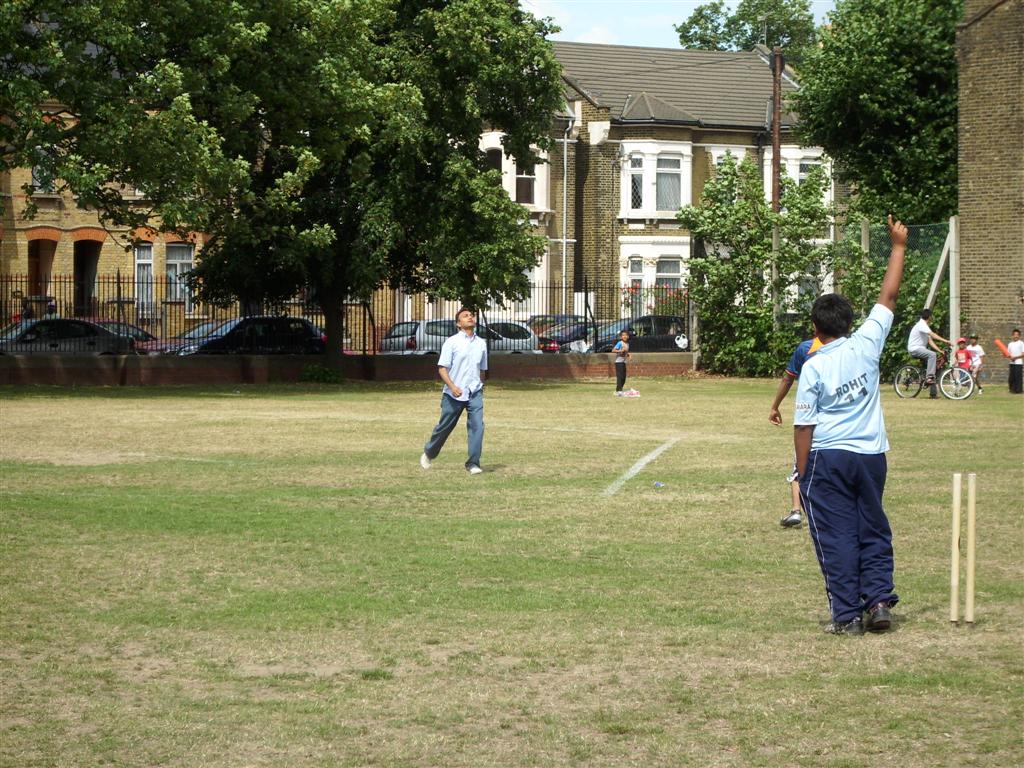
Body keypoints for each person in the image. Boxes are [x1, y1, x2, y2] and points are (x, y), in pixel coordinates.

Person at [793, 214, 908, 636]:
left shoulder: (814, 364)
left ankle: (845, 616)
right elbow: (890, 296)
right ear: (848, 321)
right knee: (872, 525)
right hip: (871, 456)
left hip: (830, 457)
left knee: (836, 535)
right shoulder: (867, 342)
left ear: (815, 329)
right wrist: (897, 247)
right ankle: (878, 600)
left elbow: (803, 425)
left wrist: (803, 474)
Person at [420, 307, 488, 474]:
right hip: (453, 393)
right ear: (459, 323)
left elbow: (483, 369)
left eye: (471, 315)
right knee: (445, 427)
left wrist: (480, 385)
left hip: (474, 392)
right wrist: (452, 387)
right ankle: (429, 452)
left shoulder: (481, 343)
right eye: (465, 316)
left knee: (477, 426)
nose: (470, 317)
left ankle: (473, 463)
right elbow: (442, 368)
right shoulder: (452, 342)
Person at [769, 335, 823, 528]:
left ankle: (796, 510)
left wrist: (775, 406)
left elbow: (788, 378)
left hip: (810, 418)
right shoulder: (849, 346)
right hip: (838, 421)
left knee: (801, 462)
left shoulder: (806, 348)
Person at [907, 308, 949, 387]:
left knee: (934, 367)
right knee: (932, 355)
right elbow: (933, 335)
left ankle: (933, 393)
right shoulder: (921, 325)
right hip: (914, 349)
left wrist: (940, 351)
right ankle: (929, 378)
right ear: (929, 317)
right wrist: (945, 341)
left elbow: (930, 341)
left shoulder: (924, 326)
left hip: (920, 349)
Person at [612, 330, 637, 397]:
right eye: (623, 335)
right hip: (618, 362)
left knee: (624, 377)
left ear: (628, 336)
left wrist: (629, 355)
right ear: (621, 337)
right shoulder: (620, 343)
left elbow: (625, 352)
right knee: (620, 377)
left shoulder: (627, 344)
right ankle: (618, 391)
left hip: (623, 362)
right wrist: (620, 350)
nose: (624, 336)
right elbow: (613, 350)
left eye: (626, 335)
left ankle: (619, 390)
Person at [1008, 328, 1024, 394]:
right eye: (1014, 334)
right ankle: (1012, 390)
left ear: (1019, 336)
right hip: (1011, 363)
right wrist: (1009, 357)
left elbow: (1023, 354)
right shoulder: (1010, 344)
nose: (1016, 336)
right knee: (1011, 377)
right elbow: (1008, 353)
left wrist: (1015, 357)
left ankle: (1019, 390)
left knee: (1018, 377)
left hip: (1018, 363)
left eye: (1017, 335)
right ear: (1012, 335)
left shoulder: (1021, 343)